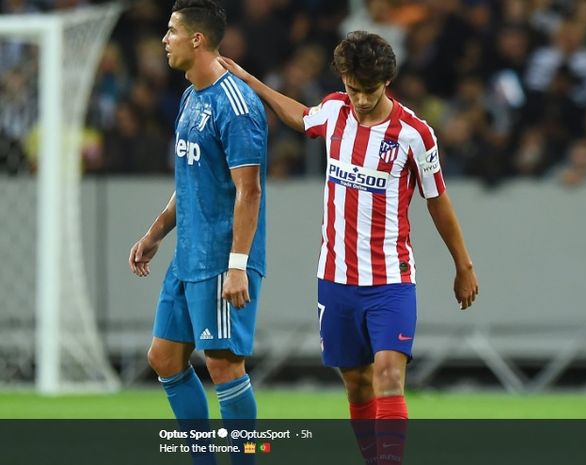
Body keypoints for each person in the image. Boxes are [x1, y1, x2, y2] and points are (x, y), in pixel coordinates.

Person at [218, 30, 479, 464]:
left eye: (368, 91)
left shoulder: (415, 134)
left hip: (391, 280)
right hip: (336, 277)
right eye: (352, 89)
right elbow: (301, 117)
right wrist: (250, 80)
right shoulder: (335, 112)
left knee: (390, 376)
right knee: (356, 382)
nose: (358, 99)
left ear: (387, 82)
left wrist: (463, 264)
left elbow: (438, 201)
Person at [128, 1, 267, 463]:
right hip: (187, 255)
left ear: (197, 40)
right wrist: (154, 234)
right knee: (164, 358)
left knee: (224, 365)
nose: (163, 39)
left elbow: (250, 191)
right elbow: (188, 180)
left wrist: (238, 266)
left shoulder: (238, 106)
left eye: (171, 31)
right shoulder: (191, 97)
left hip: (222, 259)